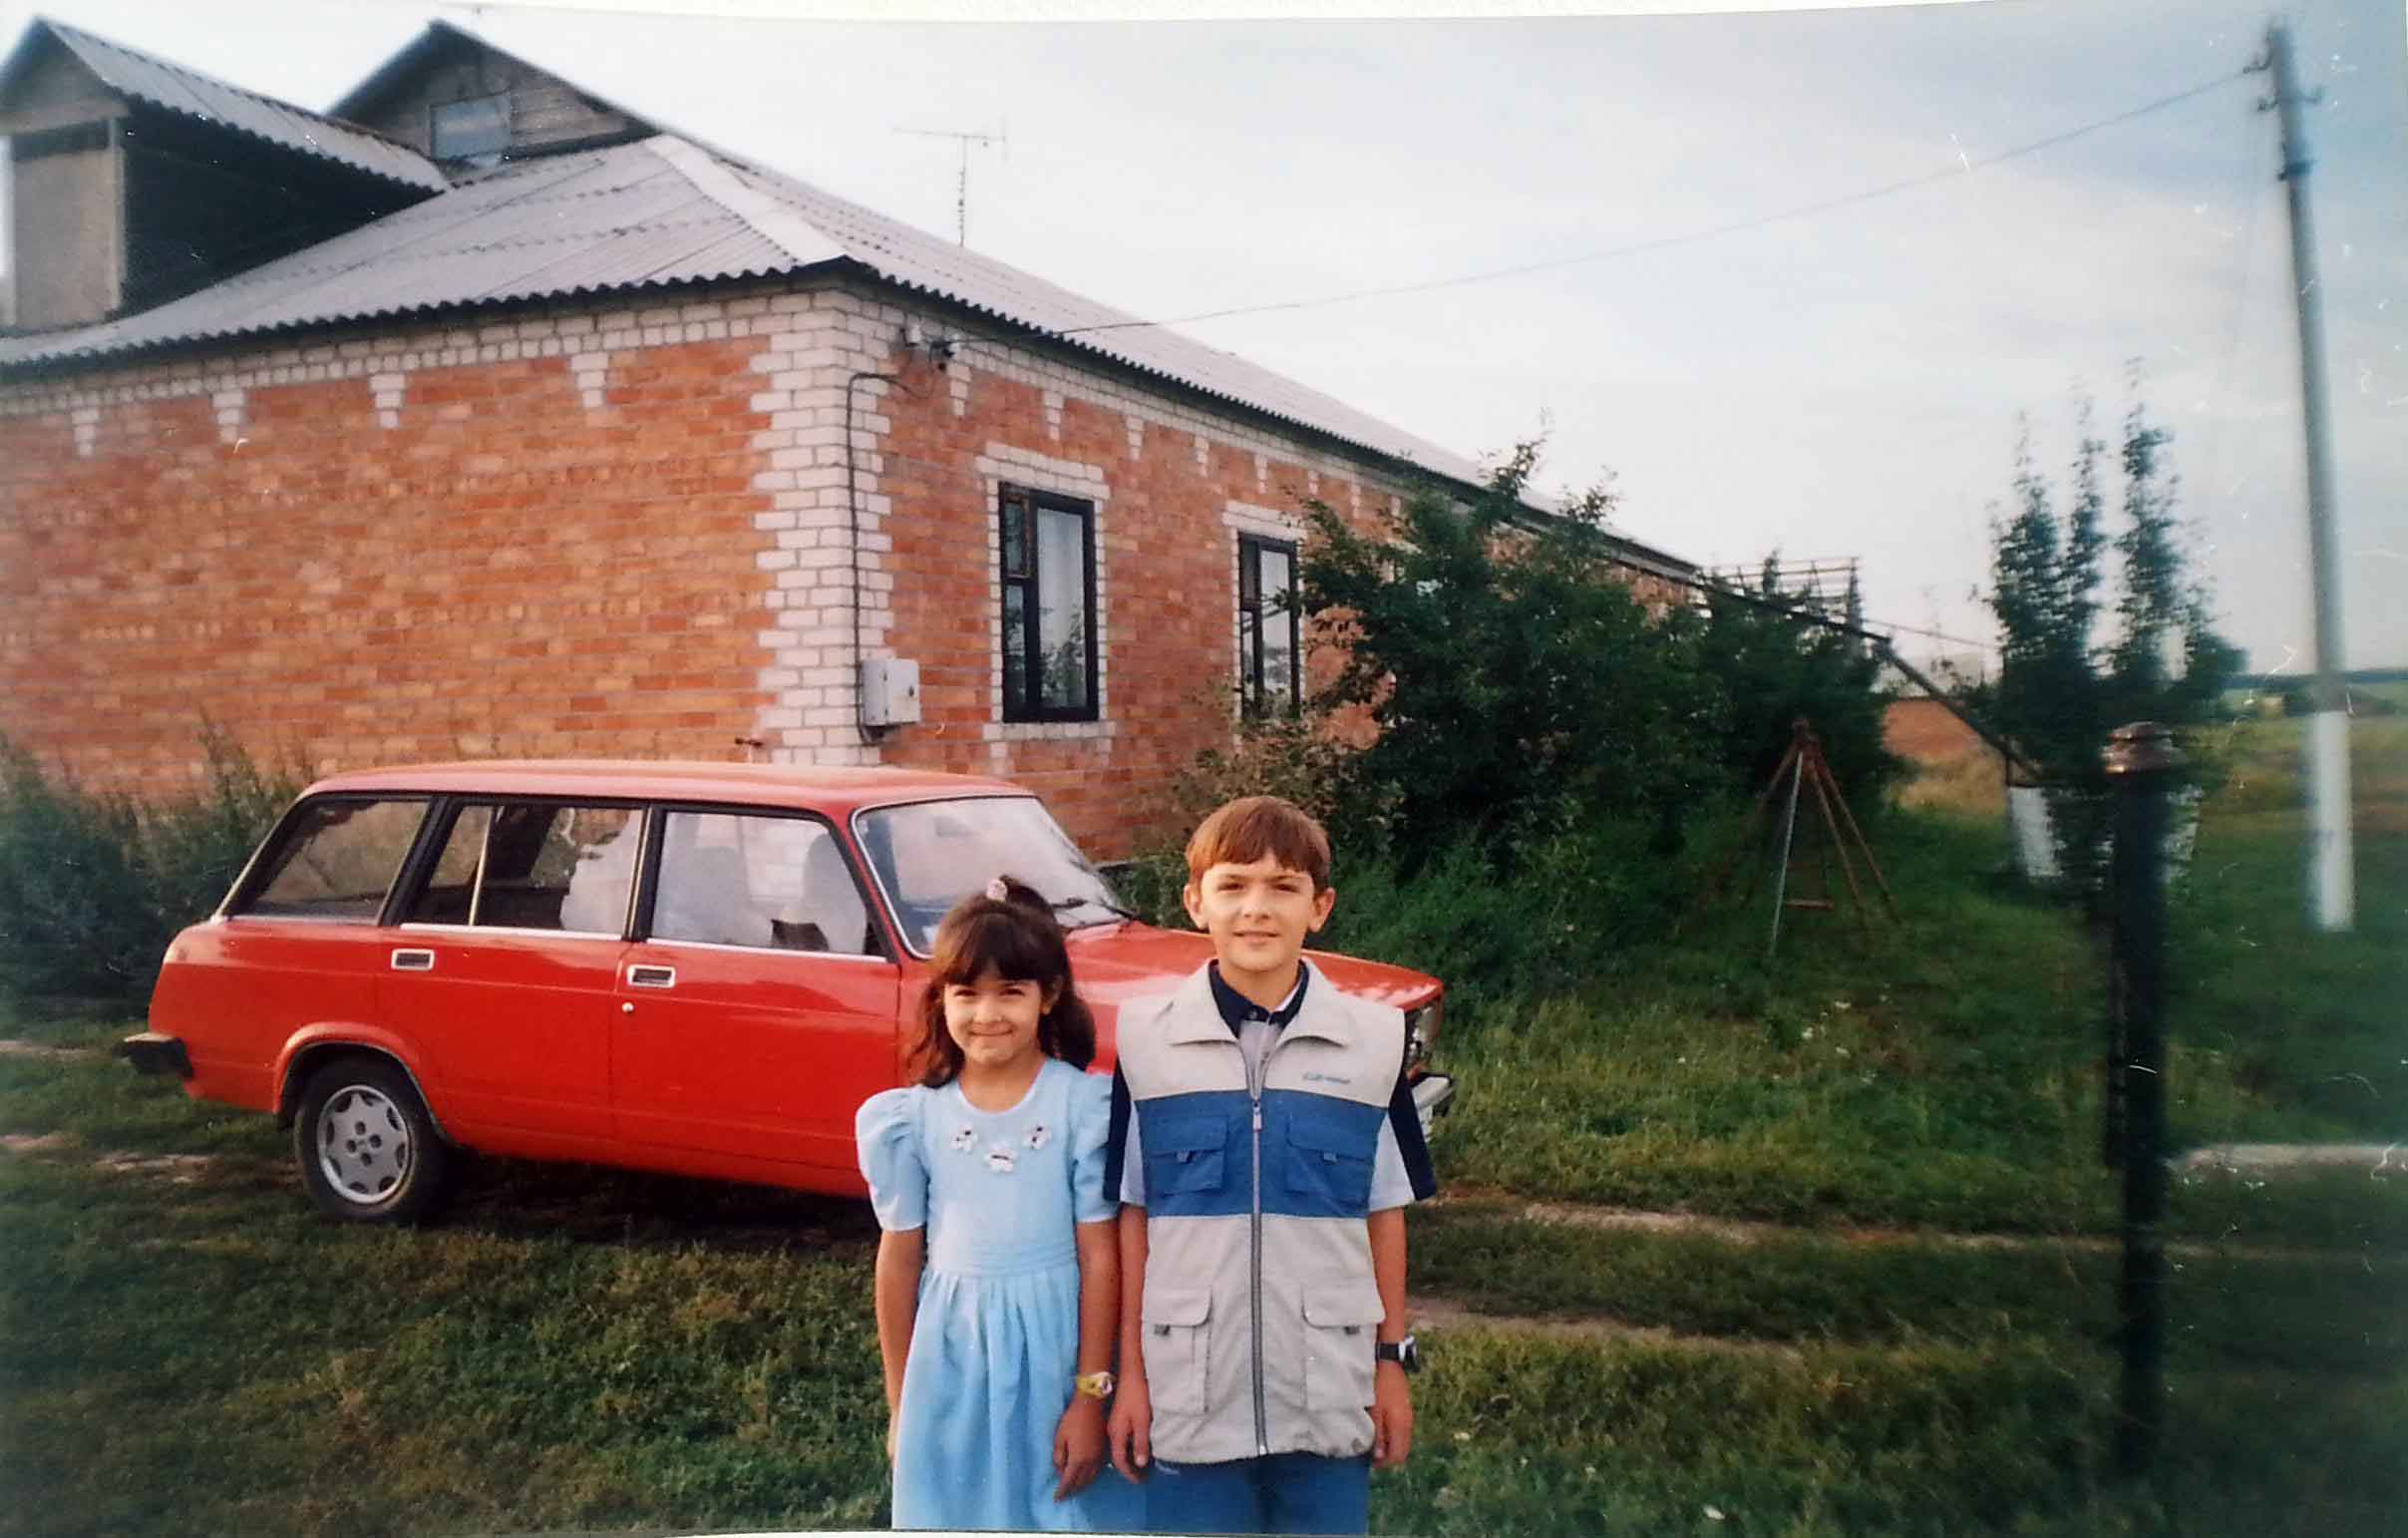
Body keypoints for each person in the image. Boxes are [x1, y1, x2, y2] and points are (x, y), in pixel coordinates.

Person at [1103, 796, 1438, 1536]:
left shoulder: (1375, 1046)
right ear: (1195, 903)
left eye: (1282, 887)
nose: (1256, 909)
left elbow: (1384, 1215)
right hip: (1190, 1389)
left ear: (1319, 908)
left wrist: (1389, 1362)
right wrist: (1130, 1377)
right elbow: (1133, 1219)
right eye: (1232, 886)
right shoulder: (1145, 1044)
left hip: (1326, 1386)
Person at [855, 877, 1141, 1532]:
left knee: (1058, 1511)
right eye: (967, 993)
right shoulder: (911, 1120)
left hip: (1055, 1352)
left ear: (1050, 997)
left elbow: (1100, 1259)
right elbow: (899, 1262)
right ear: (942, 1000)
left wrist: (1089, 1398)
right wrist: (904, 1404)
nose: (987, 1014)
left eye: (1010, 992)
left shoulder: (1080, 1107)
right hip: (951, 1356)